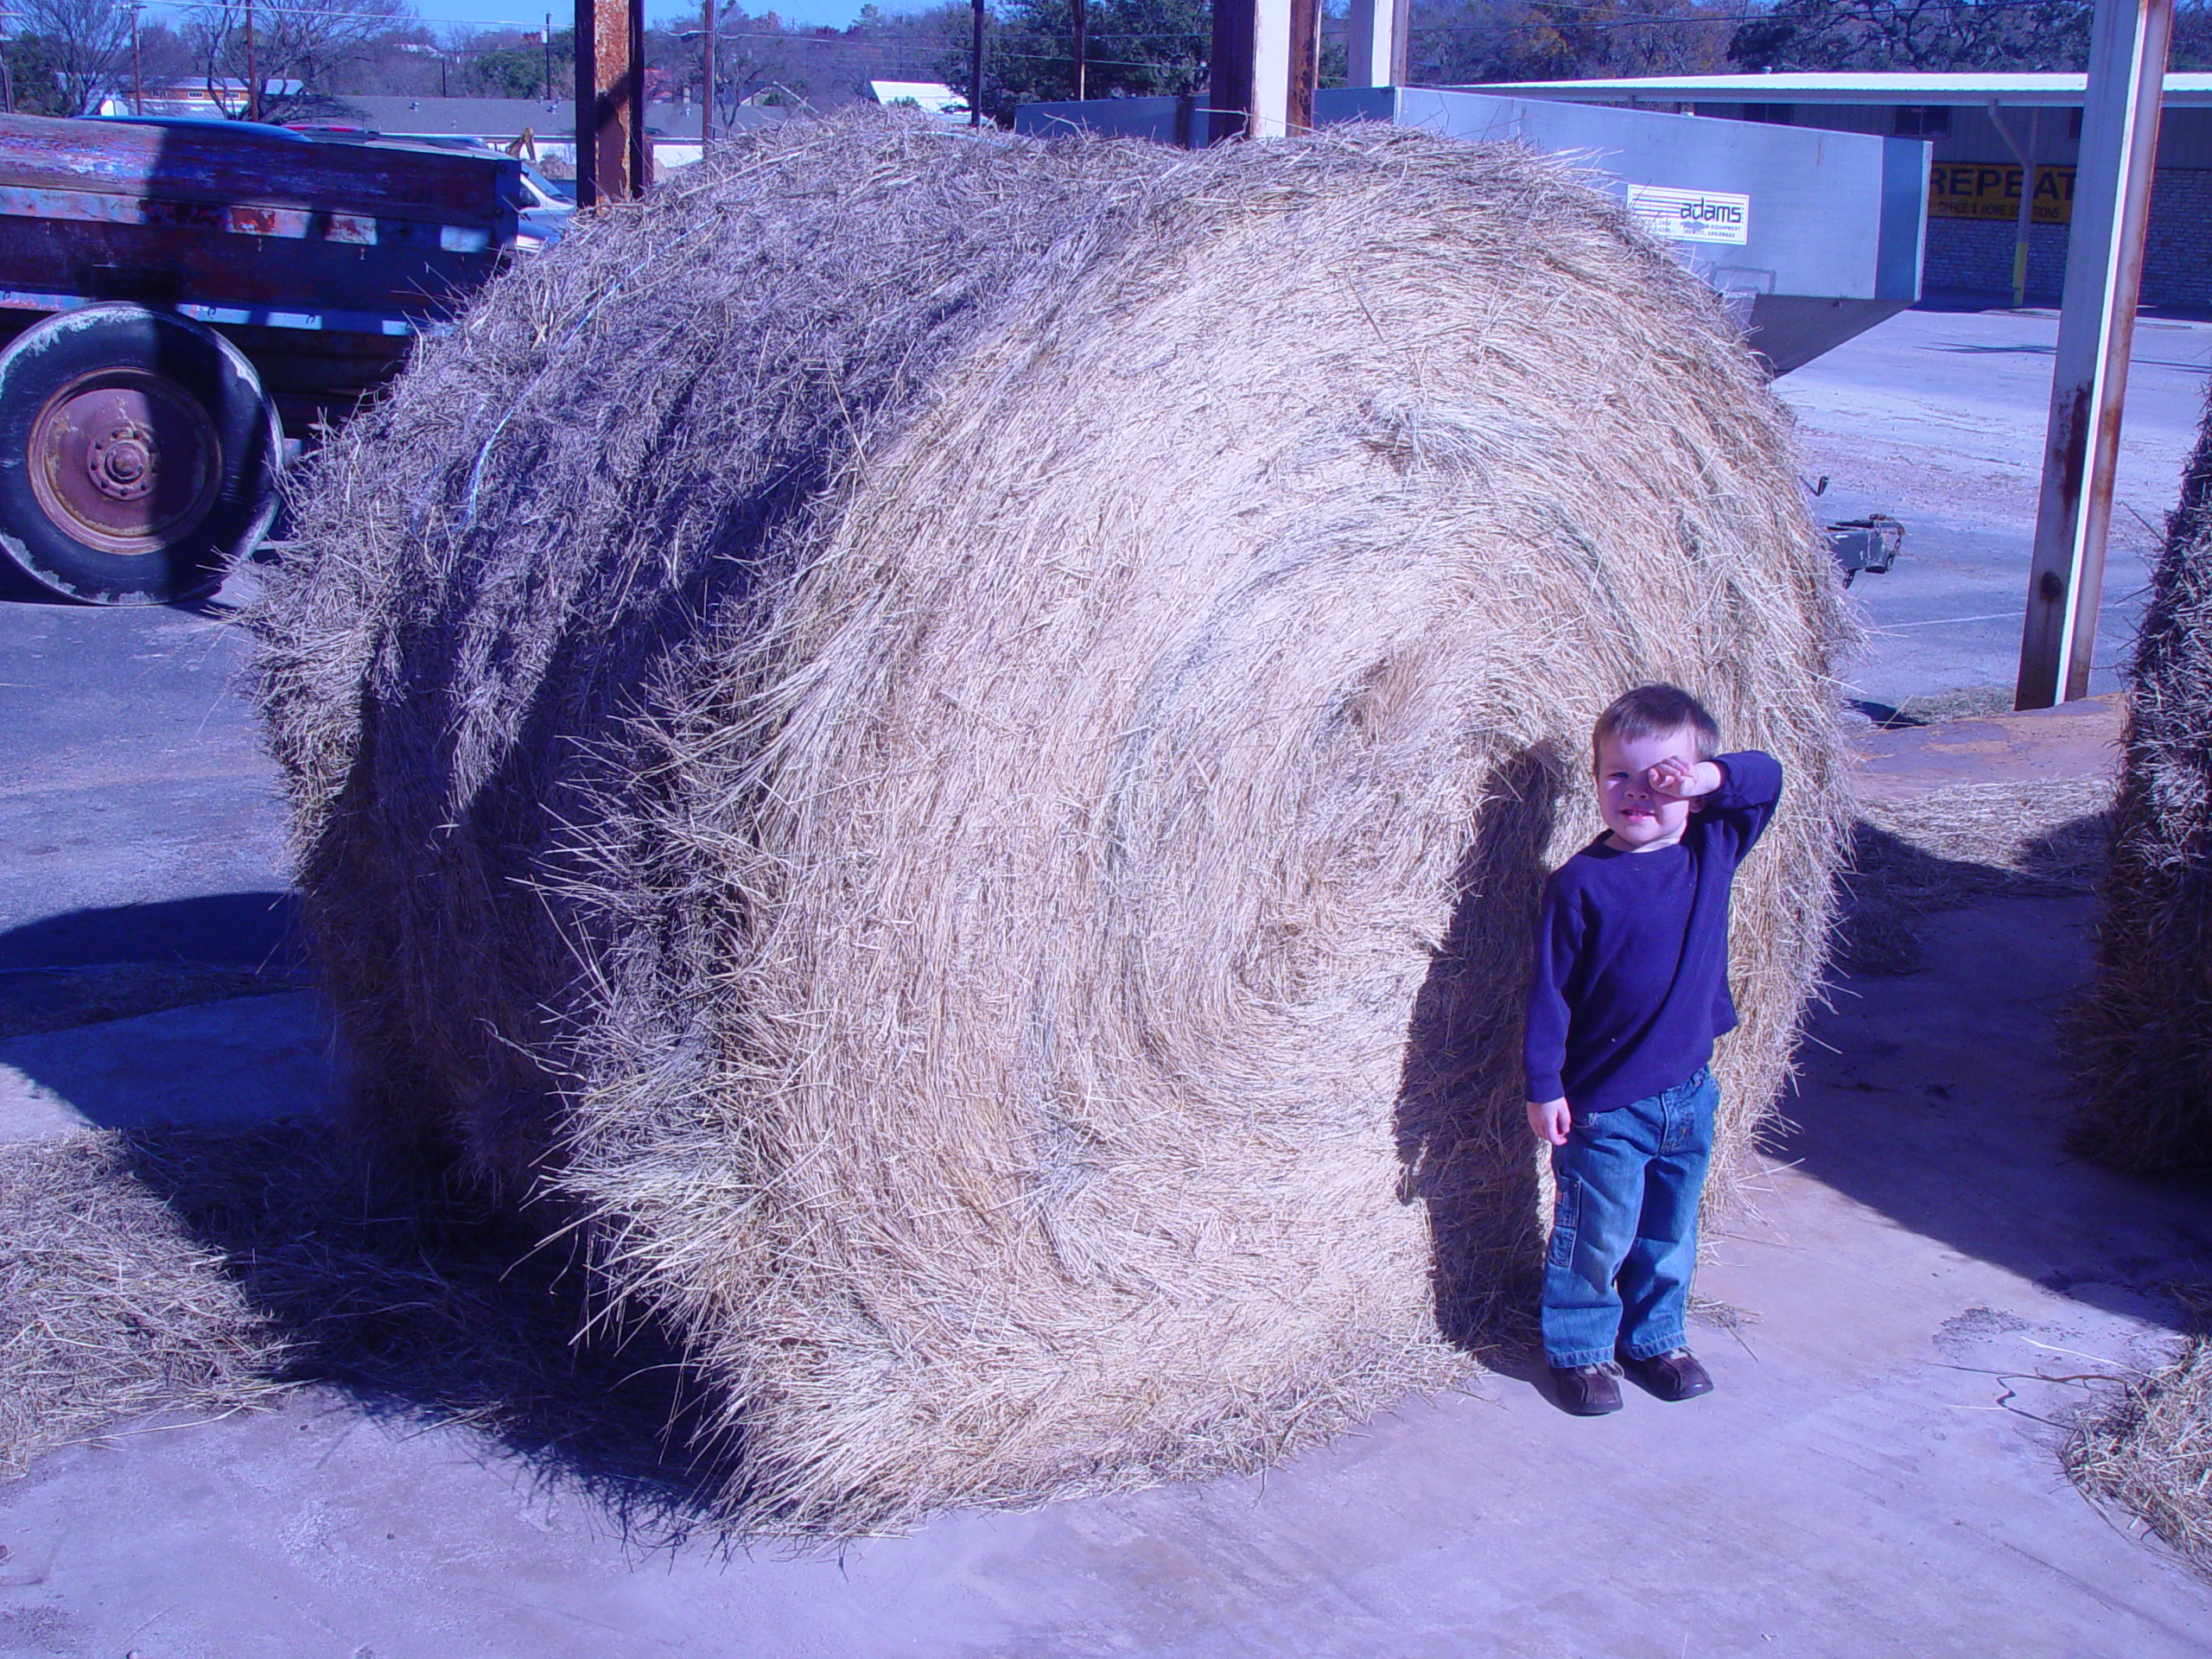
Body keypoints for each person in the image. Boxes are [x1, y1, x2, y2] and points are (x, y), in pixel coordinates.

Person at [1522, 683, 1782, 1416]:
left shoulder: (1711, 848)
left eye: (1662, 777)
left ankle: (1656, 1338)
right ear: (1596, 781)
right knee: (1595, 1236)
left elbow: (1769, 778)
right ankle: (1579, 1352)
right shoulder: (1580, 884)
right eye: (1618, 777)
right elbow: (1550, 994)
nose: (1639, 792)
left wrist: (1710, 780)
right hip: (1605, 1105)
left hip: (1690, 1093)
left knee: (1670, 1229)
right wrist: (1545, 1085)